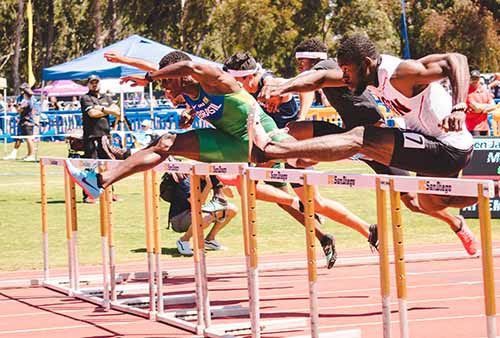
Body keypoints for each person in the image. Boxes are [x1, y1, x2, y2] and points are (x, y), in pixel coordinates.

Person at [64, 50, 366, 267]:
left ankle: (355, 152)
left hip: (265, 136)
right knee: (166, 142)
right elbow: (168, 69)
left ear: (181, 77)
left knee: (301, 179)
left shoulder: (214, 78)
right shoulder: (187, 91)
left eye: (168, 84)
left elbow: (187, 65)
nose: (167, 92)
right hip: (232, 146)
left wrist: (151, 76)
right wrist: (141, 70)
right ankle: (99, 181)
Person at [252, 34, 480, 255]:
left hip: (448, 147)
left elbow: (457, 59)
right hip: (428, 147)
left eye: (347, 71)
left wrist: (459, 107)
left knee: (360, 137)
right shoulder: (365, 76)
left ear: (366, 64)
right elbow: (319, 80)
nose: (344, 78)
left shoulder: (400, 74)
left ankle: (273, 149)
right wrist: (283, 88)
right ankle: (490, 191)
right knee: (429, 202)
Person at [223, 51, 375, 262]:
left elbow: (305, 90)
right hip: (274, 149)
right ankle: (361, 231)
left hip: (291, 147)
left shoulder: (271, 82)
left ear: (249, 76)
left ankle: (337, 226)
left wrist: (301, 118)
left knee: (253, 188)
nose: (235, 85)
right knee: (304, 201)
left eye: (237, 81)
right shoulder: (246, 91)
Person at [160, 163, 237, 256]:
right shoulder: (186, 181)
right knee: (205, 217)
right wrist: (208, 186)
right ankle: (183, 240)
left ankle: (209, 239)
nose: (206, 173)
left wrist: (223, 185)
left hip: (195, 213)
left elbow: (230, 196)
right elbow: (198, 204)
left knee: (231, 209)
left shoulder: (210, 177)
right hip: (179, 219)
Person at [79, 74, 121, 203]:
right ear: (88, 84)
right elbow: (92, 113)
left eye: (96, 82)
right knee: (90, 167)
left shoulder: (106, 98)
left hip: (105, 137)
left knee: (108, 165)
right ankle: (88, 195)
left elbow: (118, 111)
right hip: (91, 136)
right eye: (92, 82)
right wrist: (109, 111)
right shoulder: (85, 98)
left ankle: (109, 193)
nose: (94, 84)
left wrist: (102, 109)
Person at [3, 83, 37, 161]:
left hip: (27, 121)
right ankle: (28, 155)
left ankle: (31, 155)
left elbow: (19, 110)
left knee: (29, 139)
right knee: (24, 138)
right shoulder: (25, 99)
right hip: (24, 121)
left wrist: (15, 106)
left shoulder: (27, 101)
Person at [466, 70, 497, 136]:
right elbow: (477, 107)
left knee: (486, 145)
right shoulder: (467, 92)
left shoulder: (484, 91)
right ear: (470, 79)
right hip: (472, 128)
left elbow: (494, 106)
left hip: (485, 127)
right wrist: (487, 108)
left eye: (476, 78)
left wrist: (482, 110)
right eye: (473, 78)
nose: (475, 80)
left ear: (479, 79)